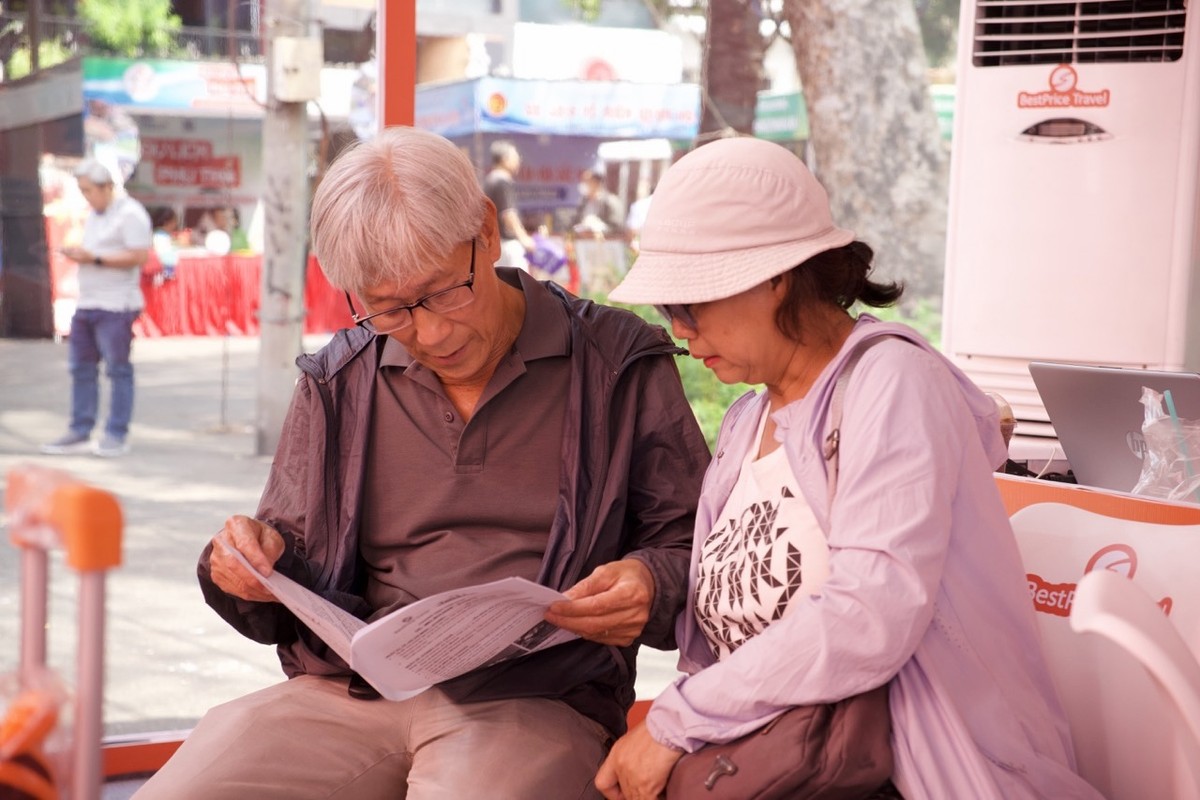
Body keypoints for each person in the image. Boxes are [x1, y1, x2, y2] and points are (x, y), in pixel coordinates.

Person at [133, 126, 710, 800]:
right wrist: (244, 564)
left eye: (444, 292)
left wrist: (650, 581)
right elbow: (287, 557)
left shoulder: (615, 364)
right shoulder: (340, 379)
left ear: (486, 231)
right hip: (348, 691)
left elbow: (697, 544)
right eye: (390, 310)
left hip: (534, 697)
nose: (431, 333)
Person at [597, 137, 1102, 800]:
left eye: (688, 304)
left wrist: (675, 724)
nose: (680, 330)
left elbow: (869, 613)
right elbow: (714, 637)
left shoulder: (892, 383)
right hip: (770, 764)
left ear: (775, 277)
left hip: (909, 770)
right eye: (668, 311)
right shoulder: (748, 419)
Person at [40, 159, 151, 458]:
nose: (86, 196)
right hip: (88, 302)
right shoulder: (94, 216)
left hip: (116, 304)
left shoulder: (130, 213)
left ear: (107, 187)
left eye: (89, 190)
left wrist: (96, 259)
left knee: (118, 370)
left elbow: (139, 256)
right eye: (82, 190)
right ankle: (80, 430)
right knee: (81, 369)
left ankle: (116, 433)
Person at [482, 139, 535, 269]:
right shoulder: (502, 180)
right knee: (518, 281)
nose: (519, 161)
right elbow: (508, 214)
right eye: (516, 157)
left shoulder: (490, 180)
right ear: (505, 159)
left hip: (495, 243)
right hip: (507, 243)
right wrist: (524, 238)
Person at [574, 167, 625, 237]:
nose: (582, 184)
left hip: (605, 241)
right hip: (583, 240)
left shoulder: (611, 201)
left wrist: (597, 231)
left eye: (586, 181)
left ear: (596, 183)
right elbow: (576, 221)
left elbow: (616, 227)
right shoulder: (583, 201)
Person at [150, 206, 180, 280]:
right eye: (174, 221)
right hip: (163, 274)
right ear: (167, 222)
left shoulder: (159, 234)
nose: (176, 224)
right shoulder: (160, 237)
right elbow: (167, 258)